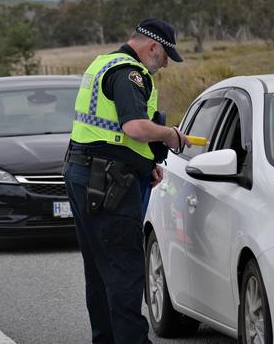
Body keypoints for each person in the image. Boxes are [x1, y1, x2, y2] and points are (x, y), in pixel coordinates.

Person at [63, 18, 191, 344]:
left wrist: (145, 163)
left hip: (84, 171)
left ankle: (105, 339)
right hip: (108, 182)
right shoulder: (130, 73)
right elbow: (134, 126)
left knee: (99, 269)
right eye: (164, 58)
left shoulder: (102, 63)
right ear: (152, 48)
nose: (164, 65)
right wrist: (171, 135)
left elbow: (107, 133)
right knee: (125, 268)